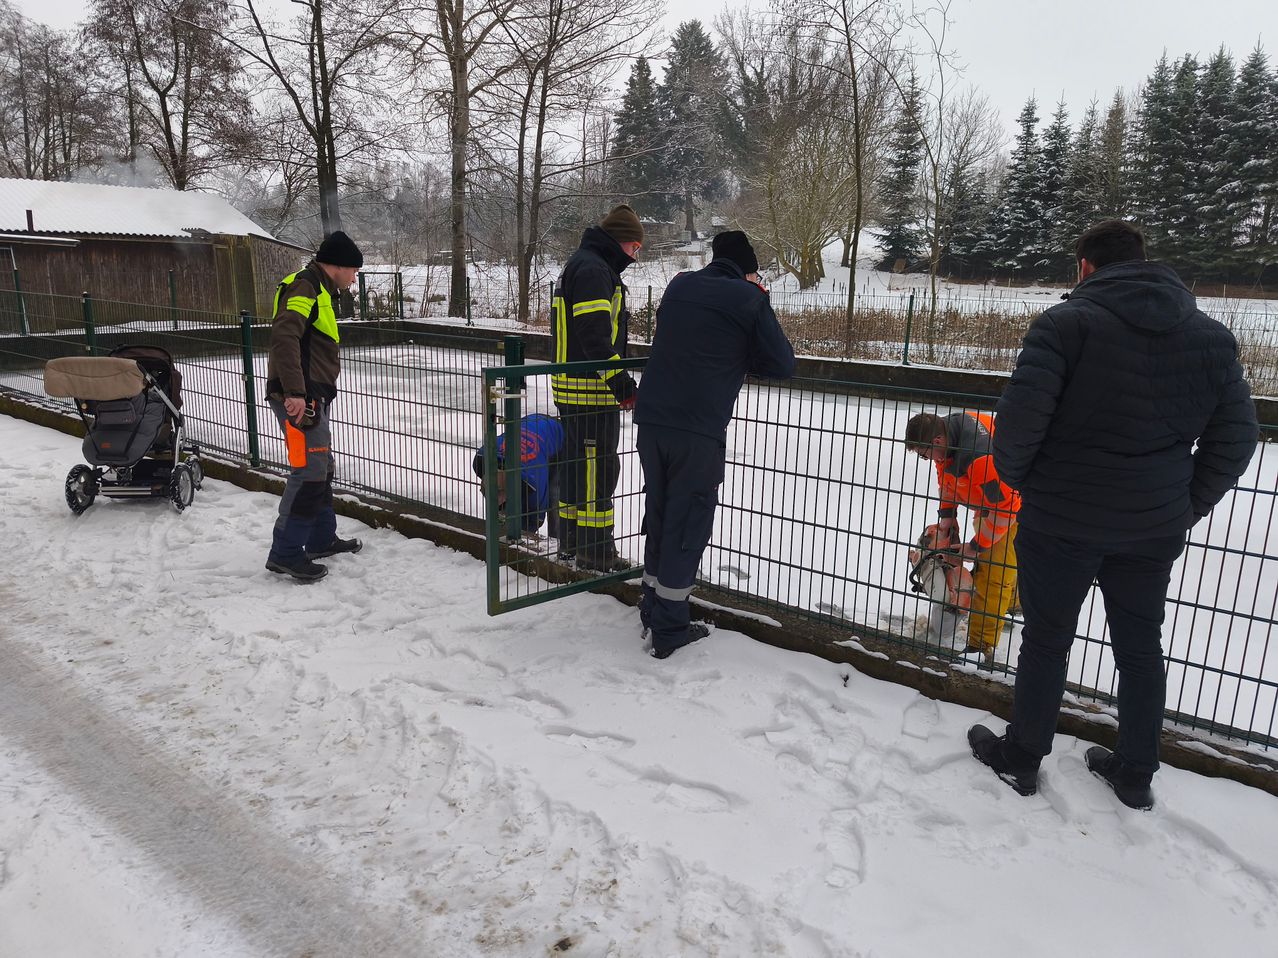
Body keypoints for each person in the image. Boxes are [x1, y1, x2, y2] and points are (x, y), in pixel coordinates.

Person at [968, 220, 1259, 809]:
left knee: (1047, 640)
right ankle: (1134, 772)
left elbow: (1017, 429)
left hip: (1062, 522)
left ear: (1085, 266)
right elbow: (1237, 440)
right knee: (1140, 648)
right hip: (1151, 529)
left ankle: (1022, 758)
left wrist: (1033, 486)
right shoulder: (1211, 338)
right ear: (1146, 262)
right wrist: (1181, 505)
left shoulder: (1064, 325)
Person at [634, 230, 796, 659]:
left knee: (661, 510)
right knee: (688, 522)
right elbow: (782, 363)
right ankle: (669, 627)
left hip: (650, 420)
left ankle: (650, 605)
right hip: (697, 428)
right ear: (747, 269)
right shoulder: (750, 297)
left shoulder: (680, 283)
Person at [263, 230, 366, 582]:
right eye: (353, 270)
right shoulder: (305, 287)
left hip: (312, 395)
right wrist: (294, 392)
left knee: (321, 466)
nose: (355, 277)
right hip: (299, 398)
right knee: (309, 471)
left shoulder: (319, 288)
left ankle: (321, 539)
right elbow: (285, 336)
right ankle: (286, 553)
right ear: (337, 265)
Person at [551, 204, 643, 572]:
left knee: (578, 468)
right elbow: (595, 335)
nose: (636, 258)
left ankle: (571, 545)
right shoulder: (593, 269)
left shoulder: (583, 262)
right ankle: (597, 552)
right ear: (623, 242)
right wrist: (622, 384)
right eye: (636, 249)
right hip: (590, 390)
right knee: (597, 470)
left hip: (573, 387)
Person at [903, 411, 1021, 660]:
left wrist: (976, 546)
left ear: (936, 442)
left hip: (1016, 504)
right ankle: (1017, 601)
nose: (926, 460)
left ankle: (980, 647)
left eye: (924, 456)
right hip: (993, 500)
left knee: (993, 570)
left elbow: (1006, 509)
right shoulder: (946, 432)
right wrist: (947, 518)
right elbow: (945, 476)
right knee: (1001, 564)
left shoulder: (979, 458)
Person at [471, 412, 565, 537]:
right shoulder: (481, 460)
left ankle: (557, 543)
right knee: (510, 509)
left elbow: (537, 513)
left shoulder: (532, 482)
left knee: (555, 497)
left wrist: (526, 531)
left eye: (499, 495)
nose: (495, 501)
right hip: (531, 423)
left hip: (557, 437)